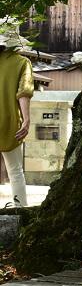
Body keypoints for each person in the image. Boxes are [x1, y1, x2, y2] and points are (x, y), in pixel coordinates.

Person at [0, 20, 34, 207]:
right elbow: (24, 92)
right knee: (15, 170)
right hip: (8, 121)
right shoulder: (22, 62)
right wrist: (26, 120)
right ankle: (19, 208)